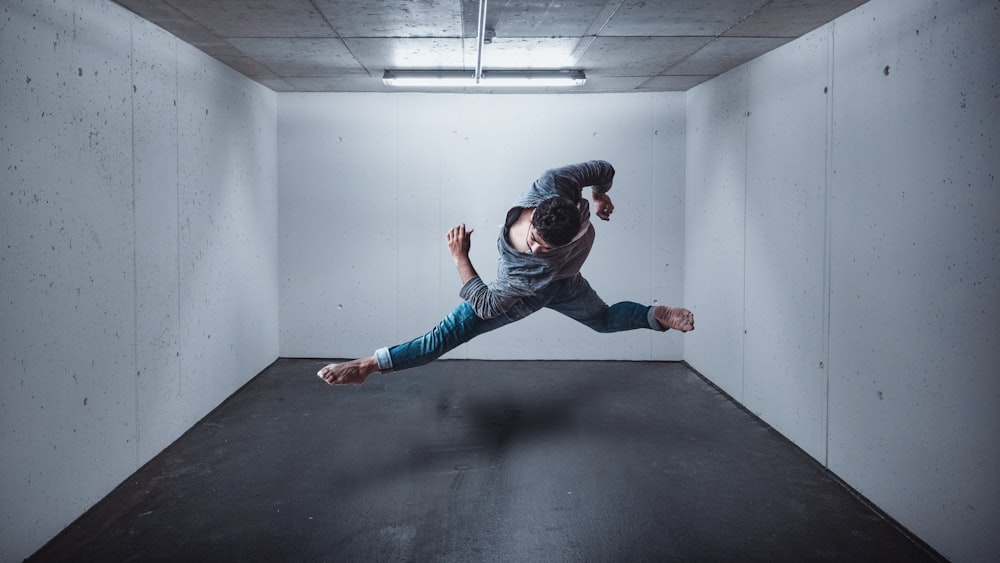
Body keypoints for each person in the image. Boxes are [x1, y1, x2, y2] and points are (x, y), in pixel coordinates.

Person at [318, 160, 694, 386]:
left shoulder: (526, 269)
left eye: (546, 248)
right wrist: (599, 194)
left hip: (533, 293)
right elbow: (604, 169)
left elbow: (483, 305)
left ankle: (368, 365)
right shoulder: (555, 183)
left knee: (443, 337)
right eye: (535, 239)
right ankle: (653, 316)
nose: (535, 248)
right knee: (603, 319)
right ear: (541, 209)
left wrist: (459, 255)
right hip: (568, 279)